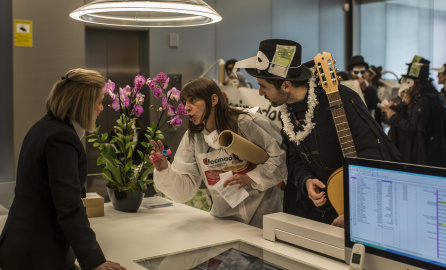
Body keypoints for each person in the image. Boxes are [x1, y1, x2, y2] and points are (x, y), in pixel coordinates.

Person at [234, 39, 400, 227]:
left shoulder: (341, 99)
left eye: (264, 86)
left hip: (352, 210)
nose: (261, 93)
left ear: (286, 85)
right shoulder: (286, 111)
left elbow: (374, 155)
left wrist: (358, 210)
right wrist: (306, 181)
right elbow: (293, 158)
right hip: (309, 212)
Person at [0, 69, 126, 270]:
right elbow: (68, 205)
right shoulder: (61, 138)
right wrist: (95, 261)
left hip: (25, 245)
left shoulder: (44, 127)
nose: (101, 108)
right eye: (99, 101)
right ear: (84, 104)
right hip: (38, 253)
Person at [150, 77, 286, 229]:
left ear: (213, 99)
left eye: (192, 100)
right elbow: (184, 191)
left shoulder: (245, 123)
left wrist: (252, 177)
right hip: (224, 224)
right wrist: (164, 169)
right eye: (184, 102)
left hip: (263, 221)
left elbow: (281, 157)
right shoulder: (194, 138)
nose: (186, 108)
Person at [382, 57, 446, 168]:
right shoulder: (428, 97)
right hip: (431, 155)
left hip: (428, 157)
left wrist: (393, 117)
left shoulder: (424, 100)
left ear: (416, 83)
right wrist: (404, 106)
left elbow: (413, 127)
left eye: (409, 82)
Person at [348, 55, 382, 126]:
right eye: (356, 71)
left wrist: (366, 89)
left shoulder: (371, 89)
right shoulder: (346, 86)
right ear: (351, 71)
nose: (359, 74)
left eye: (362, 71)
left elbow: (376, 106)